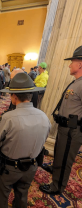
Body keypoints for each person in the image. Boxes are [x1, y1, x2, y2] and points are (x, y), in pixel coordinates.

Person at [0, 73, 51, 208]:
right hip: (32, 166)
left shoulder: (9, 117)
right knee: (22, 195)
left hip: (9, 168)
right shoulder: (44, 117)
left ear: (14, 96)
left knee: (2, 196)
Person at [39, 45, 82, 195]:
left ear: (80, 64)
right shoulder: (76, 82)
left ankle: (57, 186)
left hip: (73, 130)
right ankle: (56, 169)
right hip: (65, 128)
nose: (70, 65)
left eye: (72, 62)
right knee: (59, 152)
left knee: (65, 159)